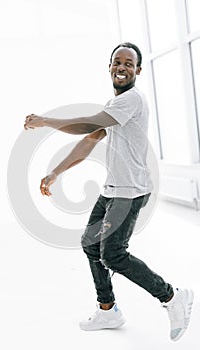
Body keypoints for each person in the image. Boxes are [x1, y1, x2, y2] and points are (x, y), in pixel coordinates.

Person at [24, 42, 194, 342]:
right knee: (91, 244)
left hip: (130, 192)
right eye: (118, 61)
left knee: (113, 254)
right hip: (114, 189)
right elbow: (91, 137)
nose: (122, 67)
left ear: (138, 71)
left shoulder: (131, 100)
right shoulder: (115, 104)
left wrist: (46, 121)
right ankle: (108, 309)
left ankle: (172, 296)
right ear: (110, 66)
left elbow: (88, 124)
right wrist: (55, 172)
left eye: (129, 63)